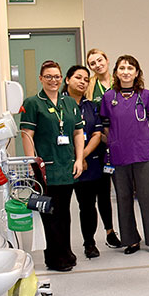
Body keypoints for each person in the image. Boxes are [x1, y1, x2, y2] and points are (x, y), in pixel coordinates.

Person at [99, 55, 149, 254]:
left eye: (130, 68)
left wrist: (143, 140)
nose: (126, 71)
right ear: (116, 72)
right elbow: (105, 126)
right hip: (119, 155)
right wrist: (115, 141)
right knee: (123, 198)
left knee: (148, 197)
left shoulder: (145, 95)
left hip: (143, 154)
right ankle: (130, 240)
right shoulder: (109, 97)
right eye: (122, 68)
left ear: (137, 72)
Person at [20, 60, 84, 272]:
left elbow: (77, 133)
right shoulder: (33, 103)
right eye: (48, 76)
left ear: (62, 78)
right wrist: (32, 164)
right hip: (44, 167)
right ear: (41, 79)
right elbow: (27, 134)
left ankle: (65, 251)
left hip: (66, 164)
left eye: (56, 76)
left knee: (64, 212)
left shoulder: (69, 103)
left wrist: (78, 158)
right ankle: (54, 257)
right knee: (50, 213)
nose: (53, 80)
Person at [63, 65, 106, 259]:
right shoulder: (59, 104)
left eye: (86, 79)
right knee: (61, 208)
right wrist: (75, 158)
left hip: (89, 164)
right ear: (67, 80)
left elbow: (97, 133)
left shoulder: (91, 107)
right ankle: (63, 247)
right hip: (63, 163)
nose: (82, 82)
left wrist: (83, 157)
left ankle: (90, 243)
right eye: (78, 77)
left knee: (88, 206)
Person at [85, 48, 122, 248]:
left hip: (123, 144)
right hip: (102, 145)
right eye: (93, 63)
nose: (97, 65)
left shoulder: (121, 81)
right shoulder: (90, 87)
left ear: (107, 60)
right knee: (103, 191)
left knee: (125, 190)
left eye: (100, 60)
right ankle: (109, 232)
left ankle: (130, 232)